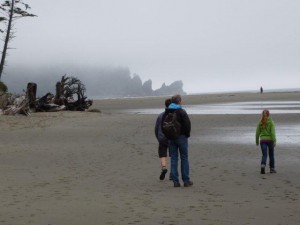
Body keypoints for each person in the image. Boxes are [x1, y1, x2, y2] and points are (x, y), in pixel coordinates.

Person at [163, 94, 192, 187]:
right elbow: (187, 124)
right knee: (184, 158)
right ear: (179, 101)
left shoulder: (167, 111)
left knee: (174, 159)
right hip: (182, 137)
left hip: (171, 138)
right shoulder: (181, 111)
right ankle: (186, 180)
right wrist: (187, 135)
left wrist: (167, 135)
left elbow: (163, 125)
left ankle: (175, 181)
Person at [155, 98, 172, 180]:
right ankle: (172, 172)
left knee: (162, 154)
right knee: (173, 155)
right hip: (171, 138)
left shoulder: (160, 115)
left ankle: (164, 168)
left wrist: (158, 137)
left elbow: (156, 128)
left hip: (161, 138)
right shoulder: (174, 115)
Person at [255, 109, 277, 174]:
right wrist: (274, 141)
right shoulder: (271, 122)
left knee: (264, 155)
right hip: (270, 140)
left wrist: (257, 141)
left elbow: (257, 133)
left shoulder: (260, 122)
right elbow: (273, 133)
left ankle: (263, 166)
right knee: (271, 155)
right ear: (269, 114)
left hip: (262, 140)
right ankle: (272, 169)